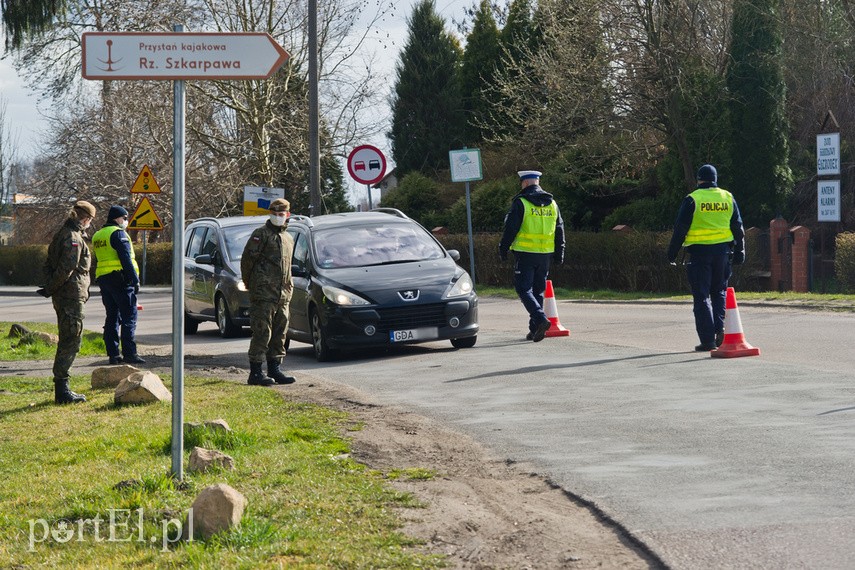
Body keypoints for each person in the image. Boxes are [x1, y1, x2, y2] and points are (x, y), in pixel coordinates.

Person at [667, 164, 746, 351]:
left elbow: (680, 229)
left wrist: (672, 252)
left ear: (699, 179)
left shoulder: (692, 199)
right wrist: (741, 251)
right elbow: (738, 228)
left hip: (700, 255)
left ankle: (708, 340)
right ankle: (720, 328)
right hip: (722, 254)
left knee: (702, 297)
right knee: (719, 292)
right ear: (715, 179)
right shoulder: (728, 197)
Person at [38, 201, 97, 404]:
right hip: (70, 296)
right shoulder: (72, 237)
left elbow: (48, 264)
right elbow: (67, 268)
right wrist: (51, 288)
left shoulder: (63, 233)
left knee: (69, 338)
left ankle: (62, 387)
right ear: (86, 219)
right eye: (90, 220)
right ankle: (62, 390)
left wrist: (49, 287)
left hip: (66, 294)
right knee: (71, 340)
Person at [498, 170, 566, 342]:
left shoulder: (521, 202)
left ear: (525, 183)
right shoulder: (552, 204)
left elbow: (510, 229)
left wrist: (503, 248)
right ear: (537, 182)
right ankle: (535, 329)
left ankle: (541, 318)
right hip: (545, 255)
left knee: (523, 289)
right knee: (538, 290)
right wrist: (560, 253)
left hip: (525, 254)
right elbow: (559, 230)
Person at [240, 198, 296, 386]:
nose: (278, 217)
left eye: (281, 214)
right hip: (263, 294)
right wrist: (250, 284)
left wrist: (289, 288)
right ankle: (255, 372)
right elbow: (247, 260)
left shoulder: (288, 238)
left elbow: (288, 267)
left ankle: (275, 369)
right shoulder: (261, 235)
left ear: (287, 215)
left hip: (282, 295)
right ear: (270, 214)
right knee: (262, 333)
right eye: (275, 214)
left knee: (280, 333)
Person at [92, 205, 145, 365]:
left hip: (104, 279)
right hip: (120, 279)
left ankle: (113, 354)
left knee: (112, 316)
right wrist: (135, 279)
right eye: (125, 218)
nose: (126, 221)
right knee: (129, 316)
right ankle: (130, 353)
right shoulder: (118, 233)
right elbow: (126, 258)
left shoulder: (98, 235)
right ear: (117, 218)